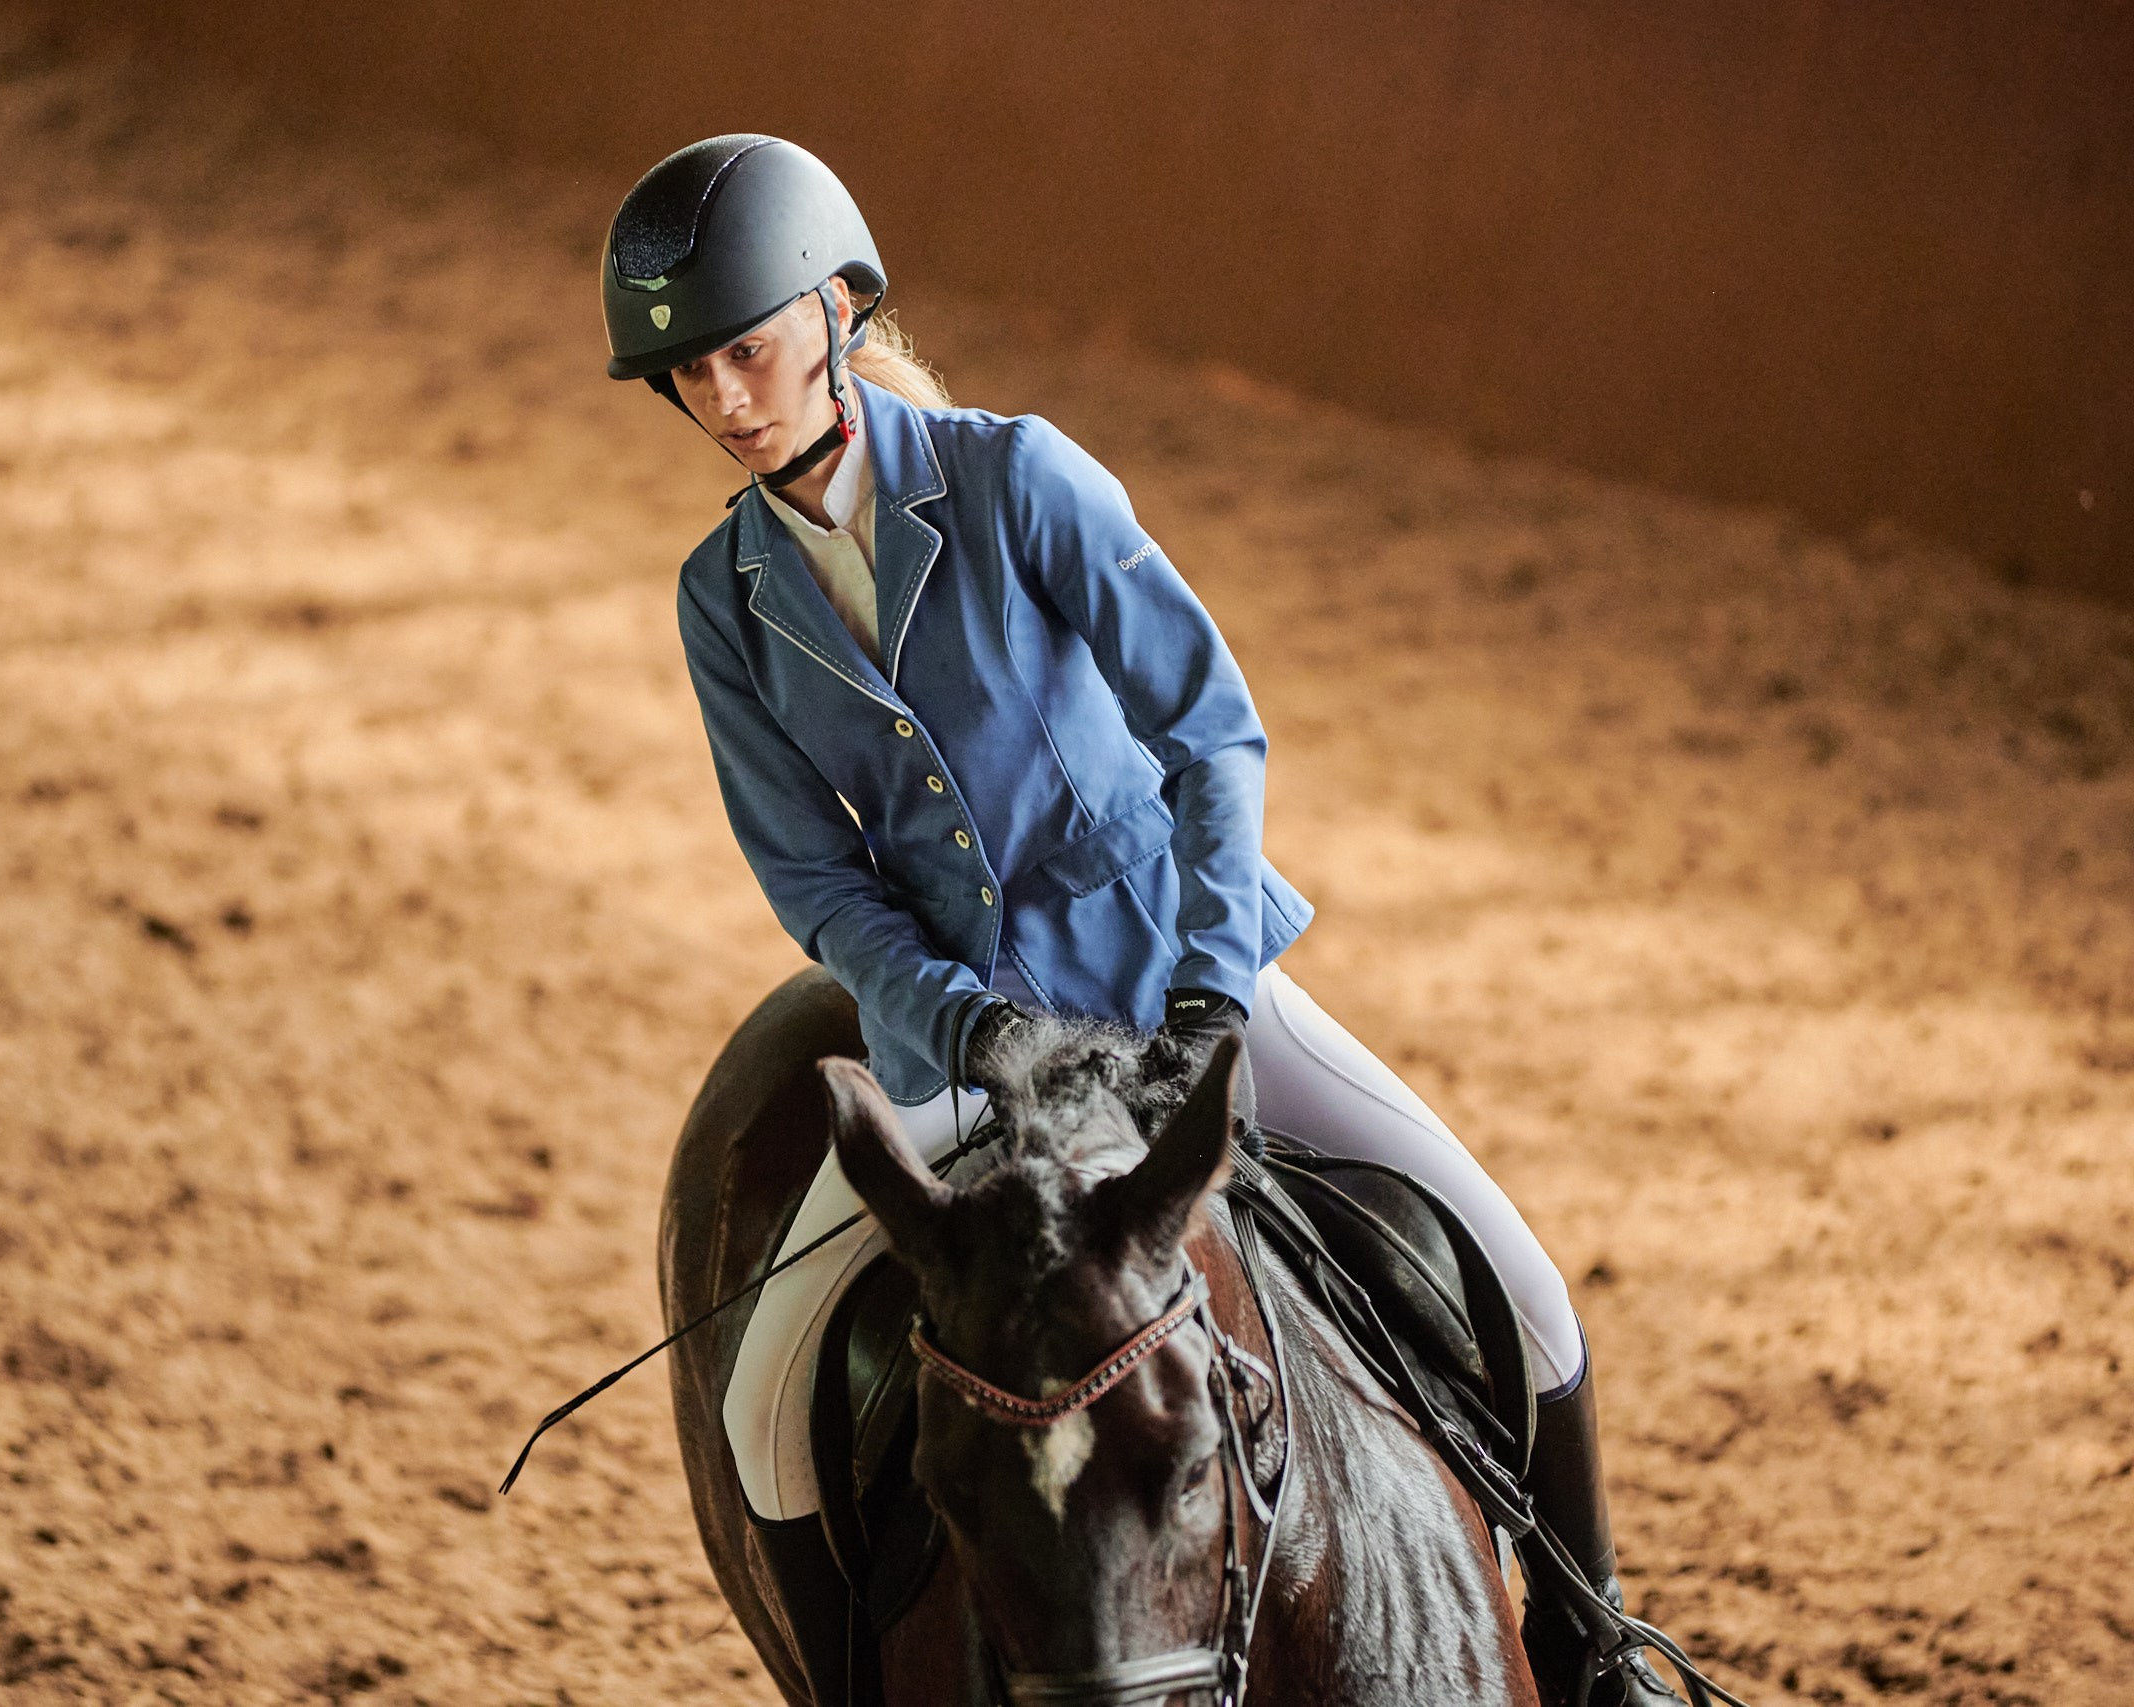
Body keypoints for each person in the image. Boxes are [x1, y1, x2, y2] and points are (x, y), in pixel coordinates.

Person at [602, 133, 1675, 1707]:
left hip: (1175, 984)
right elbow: (811, 879)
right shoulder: (725, 600)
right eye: (690, 376)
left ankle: (1599, 1650)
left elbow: (1211, 728)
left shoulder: (1017, 476)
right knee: (768, 1407)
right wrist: (959, 1020)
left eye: (747, 350)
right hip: (961, 1052)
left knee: (1520, 1287)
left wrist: (1215, 994)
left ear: (837, 311)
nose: (727, 401)